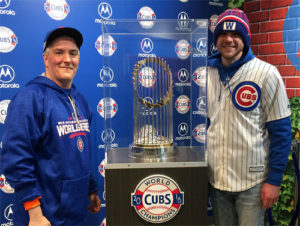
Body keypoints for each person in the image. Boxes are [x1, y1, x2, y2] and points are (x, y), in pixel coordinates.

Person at [0, 27, 101, 225]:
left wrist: (90, 189)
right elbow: (15, 160)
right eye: (58, 52)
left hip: (76, 214)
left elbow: (79, 153)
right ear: (46, 59)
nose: (67, 59)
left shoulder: (80, 99)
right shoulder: (29, 98)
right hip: (43, 217)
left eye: (73, 53)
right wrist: (34, 212)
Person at [207, 8, 292, 226]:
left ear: (245, 39)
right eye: (223, 35)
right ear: (216, 39)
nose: (229, 39)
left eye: (236, 34)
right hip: (217, 180)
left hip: (252, 182)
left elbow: (281, 133)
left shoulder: (266, 73)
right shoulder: (205, 73)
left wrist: (274, 181)